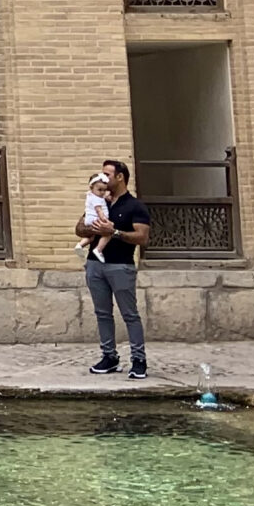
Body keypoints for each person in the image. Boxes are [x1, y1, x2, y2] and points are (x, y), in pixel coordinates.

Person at [79, 157, 151, 378]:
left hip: (120, 266)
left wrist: (115, 232)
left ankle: (139, 360)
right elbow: (79, 228)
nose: (103, 178)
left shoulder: (135, 205)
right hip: (94, 265)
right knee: (102, 313)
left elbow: (143, 237)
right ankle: (109, 356)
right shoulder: (97, 199)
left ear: (120, 177)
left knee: (130, 314)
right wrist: (90, 226)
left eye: (107, 174)